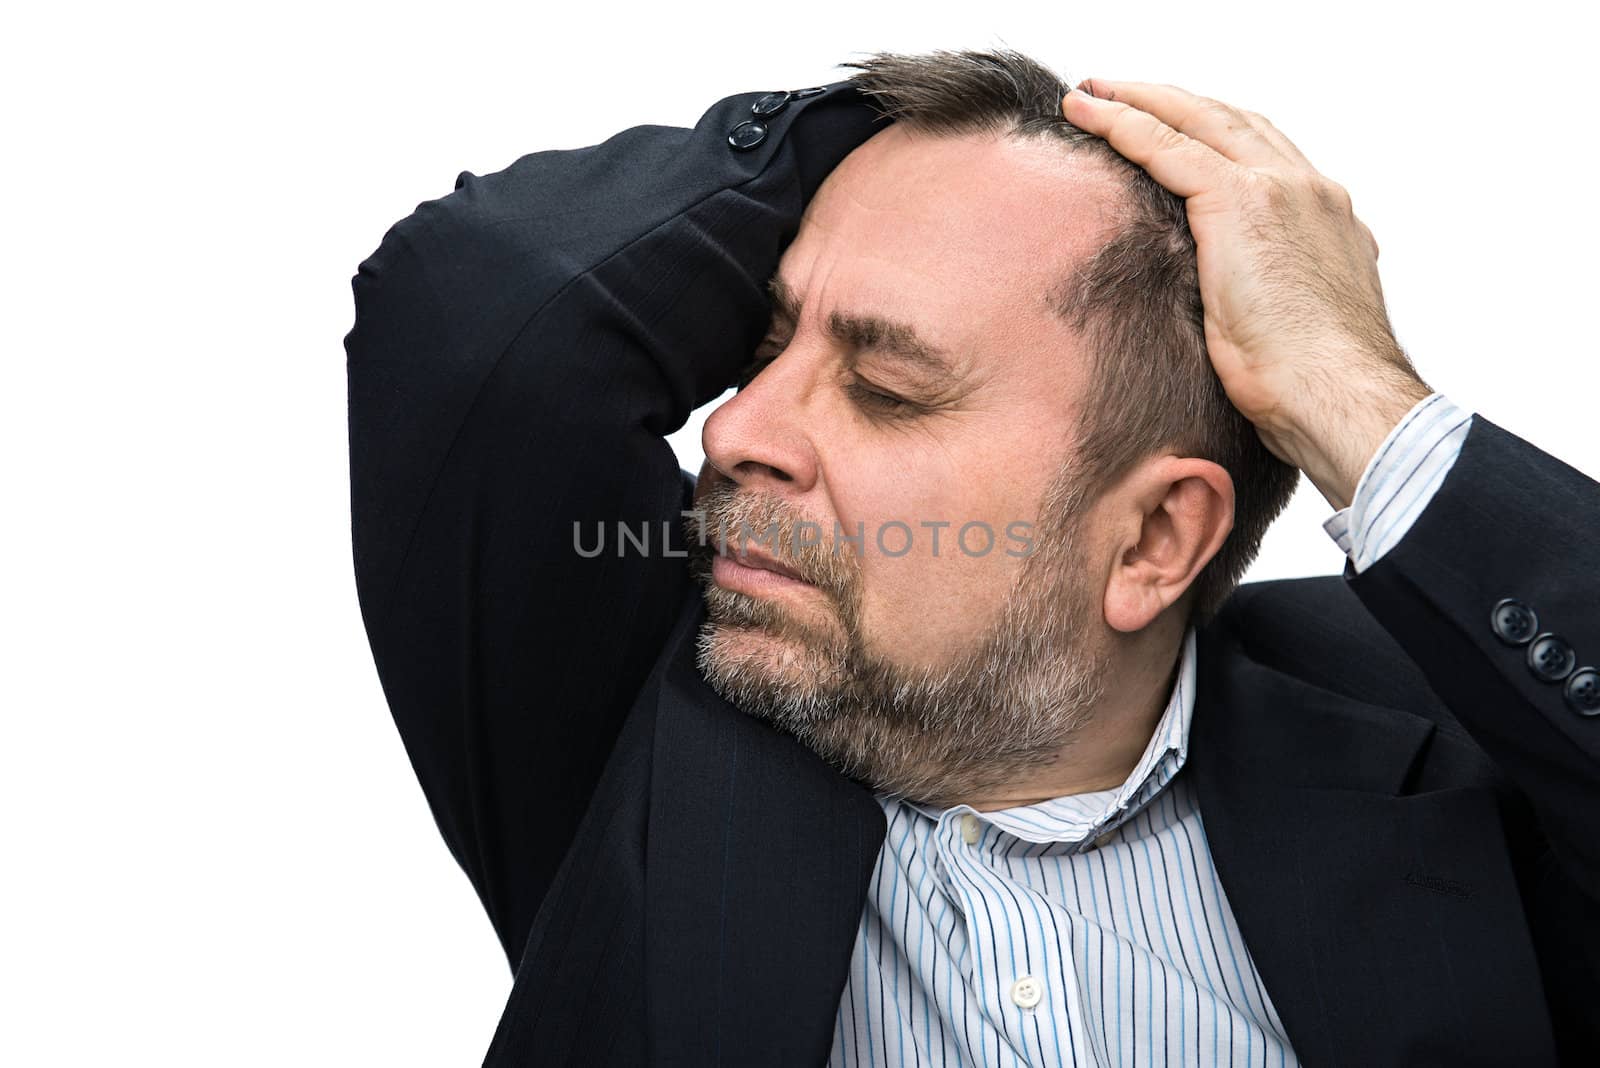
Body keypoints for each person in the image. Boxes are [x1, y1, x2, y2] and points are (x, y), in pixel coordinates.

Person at [343, 47, 1600, 1066]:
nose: (733, 430)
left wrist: (1350, 390)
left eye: (885, 387)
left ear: (1154, 540)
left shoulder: (1452, 734)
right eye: (760, 345)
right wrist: (906, 129)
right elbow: (476, 308)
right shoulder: (632, 728)